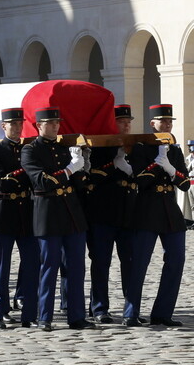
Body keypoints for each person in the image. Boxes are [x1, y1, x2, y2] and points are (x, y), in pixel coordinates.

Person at [21, 106, 94, 331]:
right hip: (48, 214)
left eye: (57, 123)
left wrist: (84, 165)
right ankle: (45, 316)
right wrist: (71, 170)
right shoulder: (30, 150)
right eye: (50, 123)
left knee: (76, 267)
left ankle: (77, 316)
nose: (55, 126)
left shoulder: (64, 149)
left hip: (71, 213)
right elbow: (42, 181)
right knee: (49, 267)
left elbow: (78, 183)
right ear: (38, 126)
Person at [122, 104, 190, 327]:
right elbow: (140, 181)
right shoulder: (141, 148)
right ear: (153, 124)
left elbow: (183, 184)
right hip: (147, 210)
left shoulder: (176, 150)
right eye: (163, 121)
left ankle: (163, 312)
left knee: (176, 260)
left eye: (170, 121)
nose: (168, 125)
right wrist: (155, 164)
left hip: (170, 212)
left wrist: (170, 168)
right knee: (139, 262)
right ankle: (131, 314)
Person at [0, 108, 39, 329]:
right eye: (12, 124)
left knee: (32, 264)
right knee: (1, 267)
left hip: (25, 211)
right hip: (3, 212)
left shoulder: (28, 149)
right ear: (3, 126)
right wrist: (25, 172)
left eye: (19, 124)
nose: (16, 128)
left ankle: (29, 313)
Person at [85, 104, 137, 324]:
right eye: (122, 122)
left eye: (128, 122)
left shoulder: (135, 146)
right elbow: (91, 178)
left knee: (130, 262)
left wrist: (128, 167)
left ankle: (130, 310)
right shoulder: (98, 147)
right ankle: (99, 308)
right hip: (102, 213)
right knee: (101, 262)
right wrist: (113, 164)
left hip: (127, 214)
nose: (126, 126)